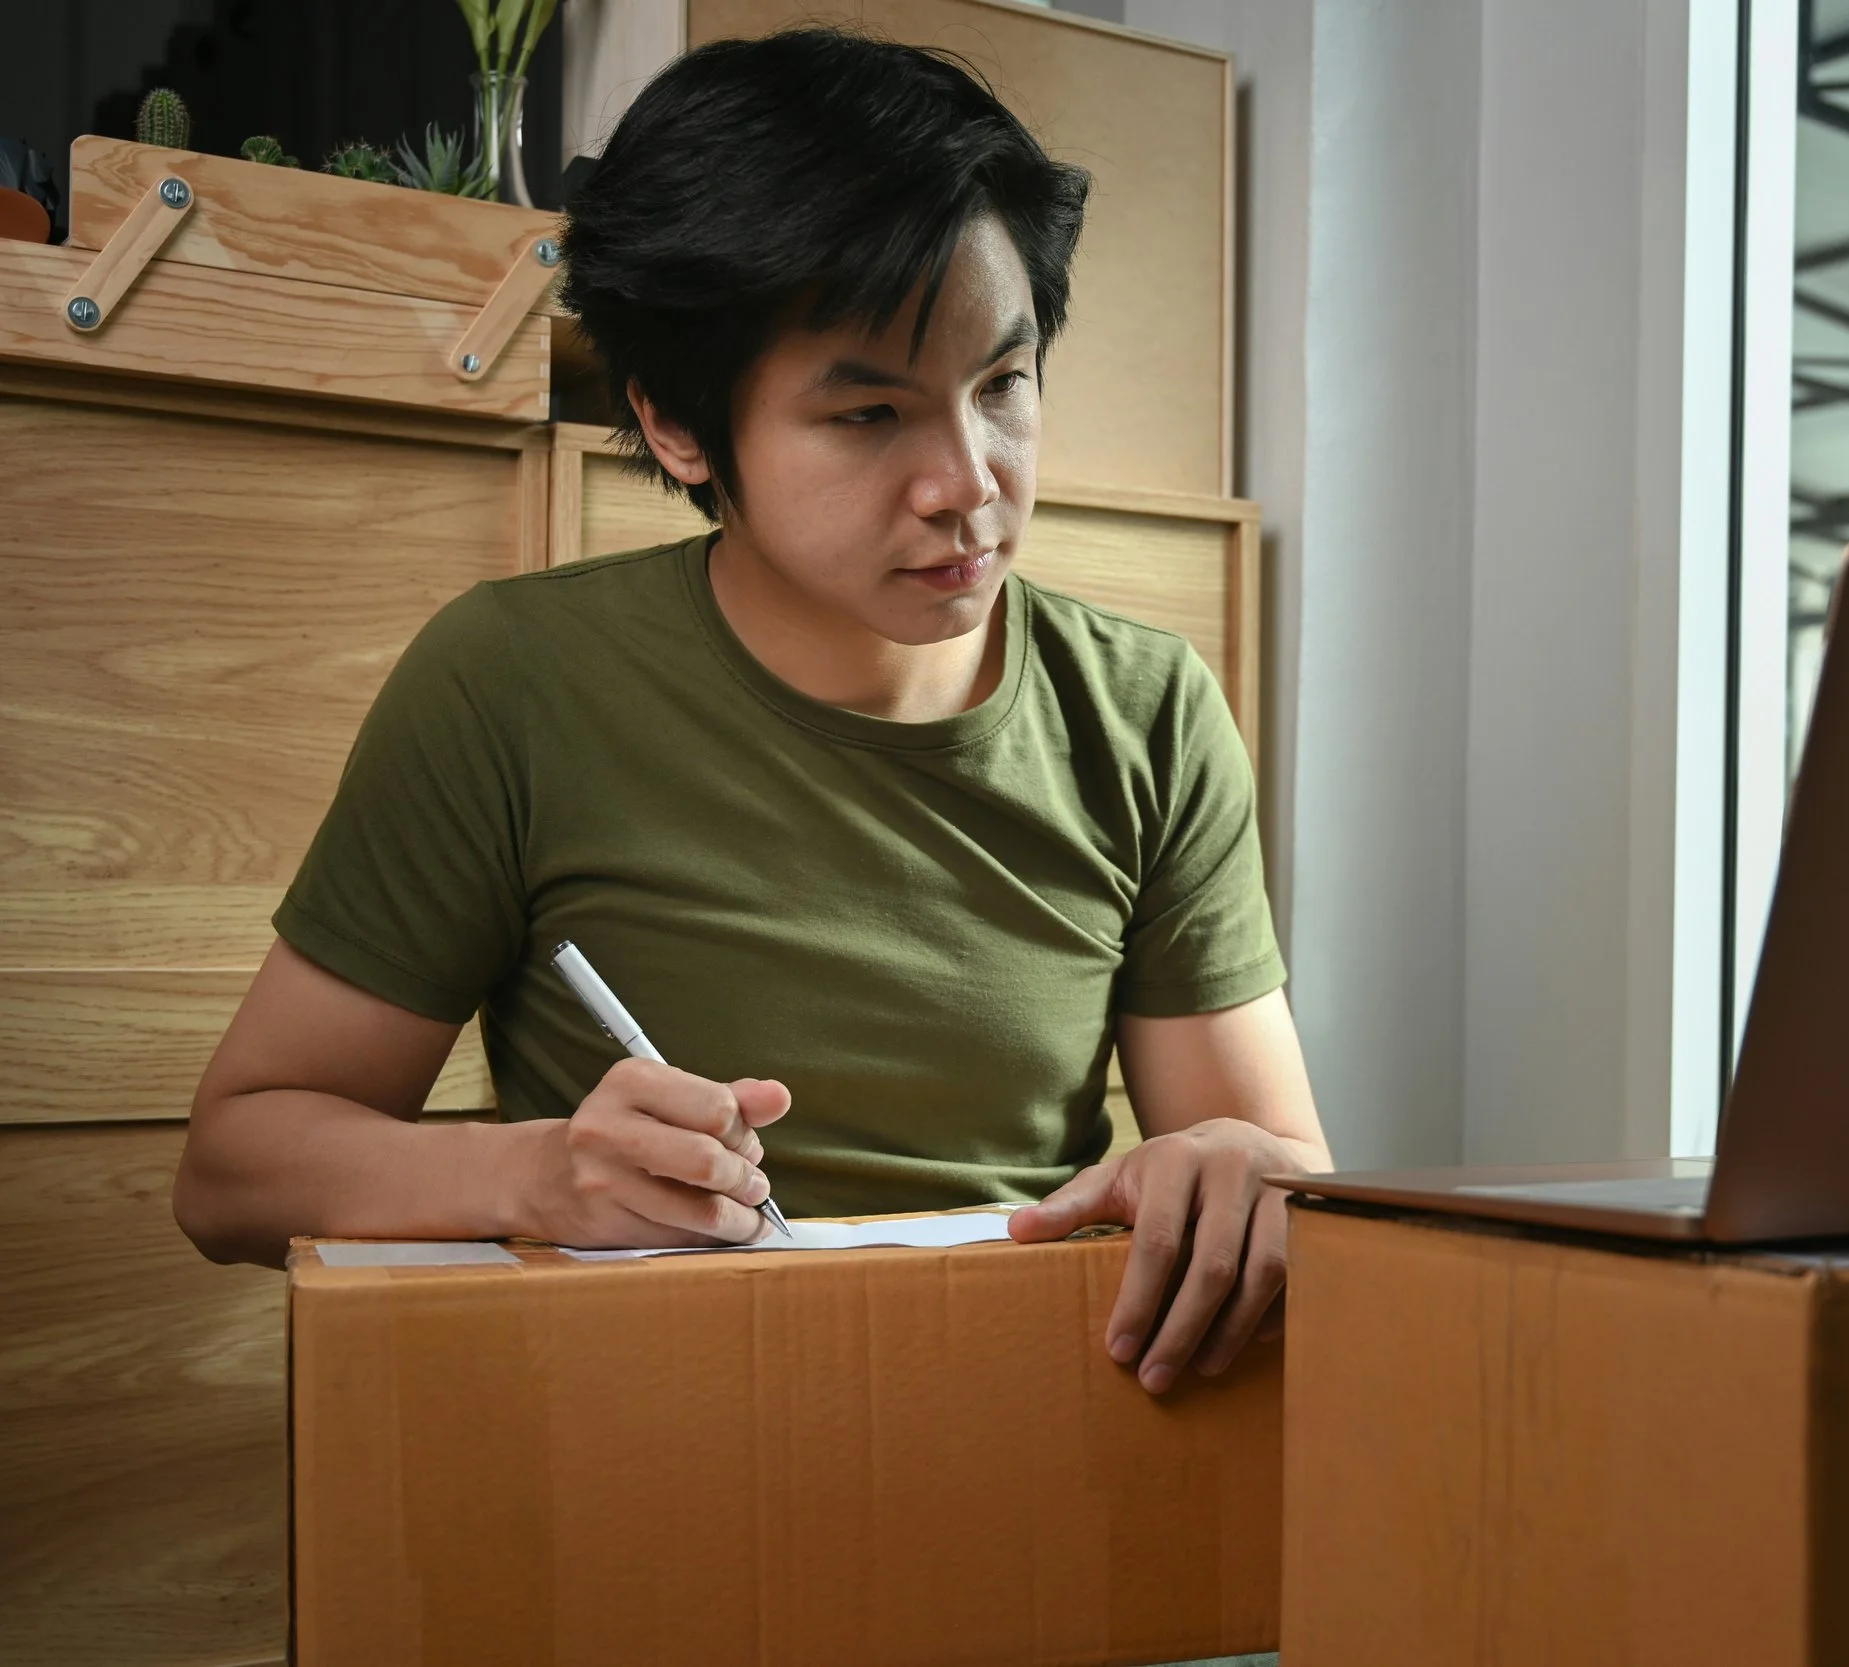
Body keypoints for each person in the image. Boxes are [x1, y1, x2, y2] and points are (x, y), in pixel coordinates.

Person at [173, 24, 1329, 1397]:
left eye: (1001, 386)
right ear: (674, 424)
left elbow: (1280, 1173)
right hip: (659, 1432)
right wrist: (536, 1172)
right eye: (868, 416)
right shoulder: (515, 683)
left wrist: (1244, 1177)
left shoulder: (1145, 711)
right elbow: (233, 1170)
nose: (969, 483)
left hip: (1048, 1419)